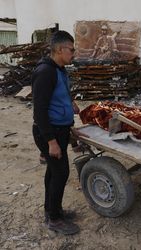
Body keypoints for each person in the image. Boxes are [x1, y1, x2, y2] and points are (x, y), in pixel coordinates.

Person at [32, 30, 80, 235]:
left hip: (59, 130)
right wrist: (51, 142)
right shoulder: (45, 72)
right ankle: (54, 219)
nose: (74, 53)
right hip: (48, 132)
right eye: (71, 49)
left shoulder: (60, 69)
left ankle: (52, 210)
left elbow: (61, 92)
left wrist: (71, 103)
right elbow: (39, 110)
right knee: (61, 173)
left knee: (54, 172)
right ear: (60, 50)